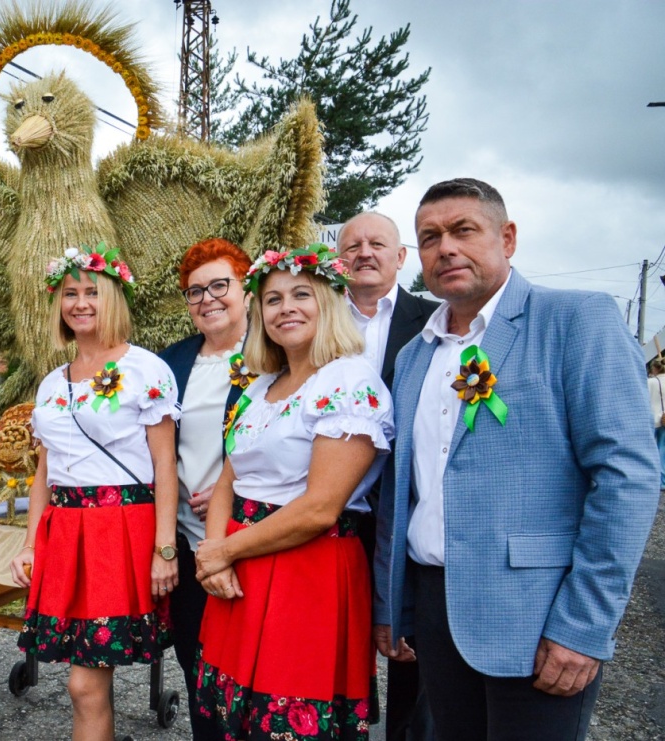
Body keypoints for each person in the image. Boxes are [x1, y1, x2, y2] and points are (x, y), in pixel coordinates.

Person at [373, 178, 659, 740]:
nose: (446, 248)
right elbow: (404, 489)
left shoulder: (575, 321)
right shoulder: (413, 356)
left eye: (463, 230)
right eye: (429, 237)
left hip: (535, 616)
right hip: (435, 610)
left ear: (507, 238)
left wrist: (583, 626)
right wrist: (395, 605)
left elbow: (626, 478)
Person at [191, 243, 392, 741]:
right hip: (239, 567)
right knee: (231, 721)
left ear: (329, 304)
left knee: (286, 722)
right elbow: (229, 479)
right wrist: (216, 554)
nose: (286, 308)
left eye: (301, 294)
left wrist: (222, 552)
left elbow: (320, 508)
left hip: (306, 568)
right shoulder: (261, 386)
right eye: (273, 299)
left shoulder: (348, 381)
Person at [11, 243, 179, 741]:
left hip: (118, 531)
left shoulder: (146, 369)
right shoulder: (51, 383)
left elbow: (165, 466)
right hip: (65, 532)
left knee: (83, 684)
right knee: (84, 684)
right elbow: (45, 474)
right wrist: (30, 543)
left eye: (92, 292)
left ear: (114, 299)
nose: (80, 303)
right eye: (70, 293)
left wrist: (164, 549)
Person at [339, 212, 437, 741]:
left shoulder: (436, 319)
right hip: (336, 506)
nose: (364, 253)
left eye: (377, 244)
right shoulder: (313, 314)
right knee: (338, 640)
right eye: (352, 245)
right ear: (338, 261)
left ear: (401, 257)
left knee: (410, 647)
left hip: (410, 504)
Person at [157, 237, 253, 741]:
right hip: (188, 543)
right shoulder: (171, 362)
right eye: (195, 291)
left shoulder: (274, 353)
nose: (207, 299)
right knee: (198, 672)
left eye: (220, 285)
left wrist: (231, 483)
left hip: (249, 538)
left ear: (246, 290)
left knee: (252, 677)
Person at [649, 357, 665, 489]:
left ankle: (654, 479)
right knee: (662, 449)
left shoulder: (651, 382)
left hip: (652, 419)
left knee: (651, 449)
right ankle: (662, 480)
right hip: (664, 419)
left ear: (656, 368)